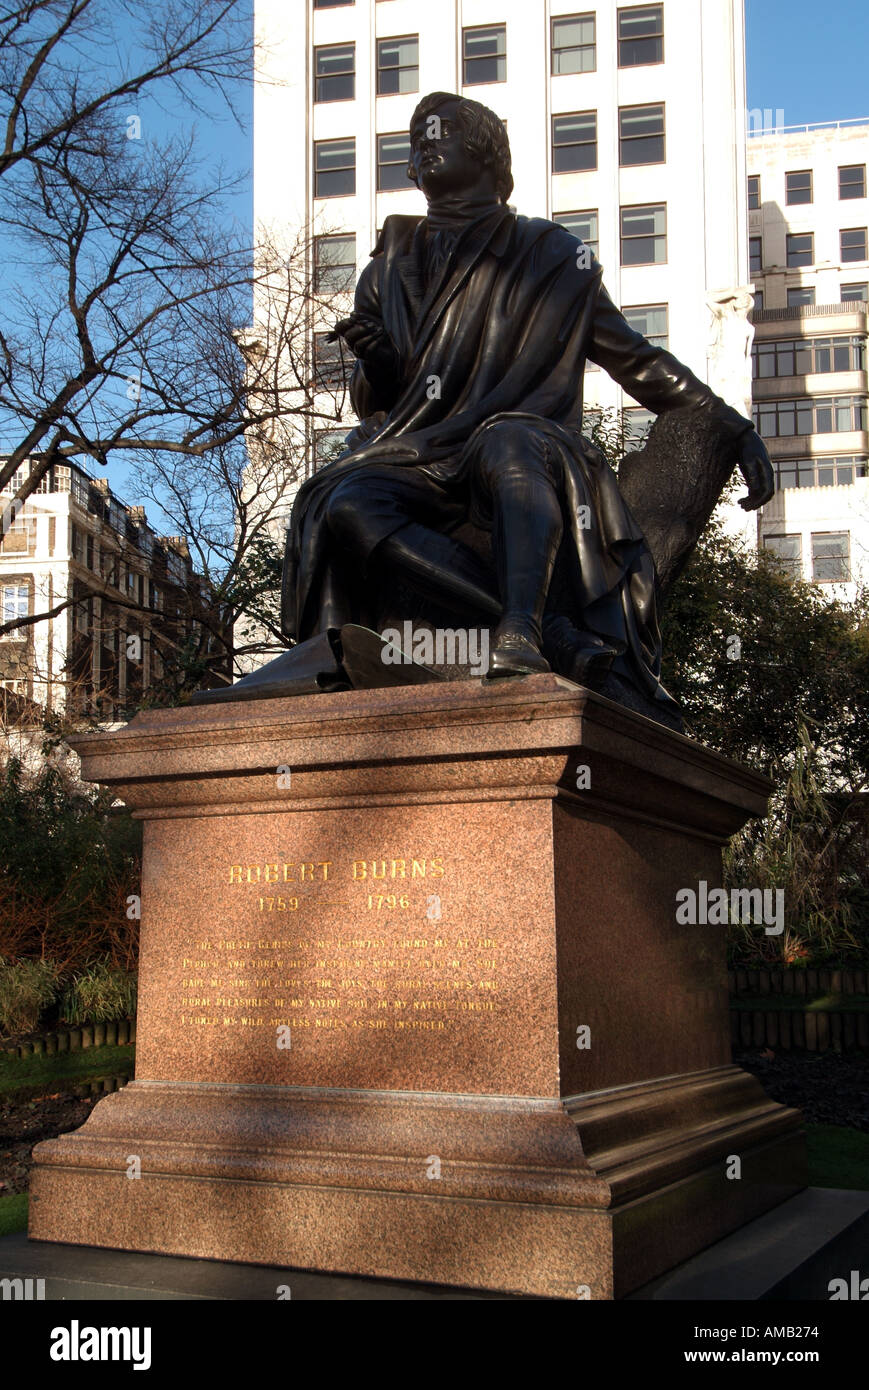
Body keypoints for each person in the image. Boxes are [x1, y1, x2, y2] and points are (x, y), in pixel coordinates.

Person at [281, 91, 773, 719]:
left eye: (442, 132)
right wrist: (377, 363)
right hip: (418, 451)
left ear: (487, 150)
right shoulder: (387, 265)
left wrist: (731, 424)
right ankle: (555, 634)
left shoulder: (551, 257)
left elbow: (637, 361)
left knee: (509, 438)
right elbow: (372, 404)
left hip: (523, 445)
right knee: (344, 501)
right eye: (417, 139)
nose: (425, 144)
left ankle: (521, 629)